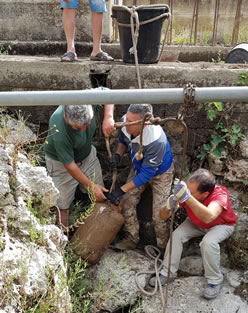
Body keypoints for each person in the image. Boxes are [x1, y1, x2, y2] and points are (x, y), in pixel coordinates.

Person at [149, 168, 237, 300]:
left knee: (208, 242)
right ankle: (168, 273)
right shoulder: (189, 190)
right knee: (177, 235)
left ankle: (215, 280)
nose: (188, 192)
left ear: (205, 194)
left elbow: (209, 216)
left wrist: (187, 196)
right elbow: (162, 216)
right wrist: (169, 204)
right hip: (196, 222)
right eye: (187, 189)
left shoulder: (220, 194)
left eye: (191, 192)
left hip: (220, 225)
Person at [106, 103, 174, 250]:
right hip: (139, 165)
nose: (125, 123)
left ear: (144, 124)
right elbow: (123, 140)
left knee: (160, 215)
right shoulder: (127, 122)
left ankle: (164, 248)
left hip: (160, 172)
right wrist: (118, 155)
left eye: (131, 122)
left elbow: (146, 175)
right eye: (126, 118)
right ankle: (131, 239)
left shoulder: (156, 141)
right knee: (126, 202)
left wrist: (121, 190)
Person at [44, 97, 115, 227]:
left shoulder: (86, 98)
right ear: (66, 118)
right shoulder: (59, 130)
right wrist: (90, 186)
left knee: (100, 195)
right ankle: (62, 239)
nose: (83, 130)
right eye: (77, 128)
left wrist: (108, 117)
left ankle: (96, 234)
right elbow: (69, 165)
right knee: (62, 206)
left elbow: (107, 94)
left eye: (87, 125)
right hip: (61, 165)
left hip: (87, 157)